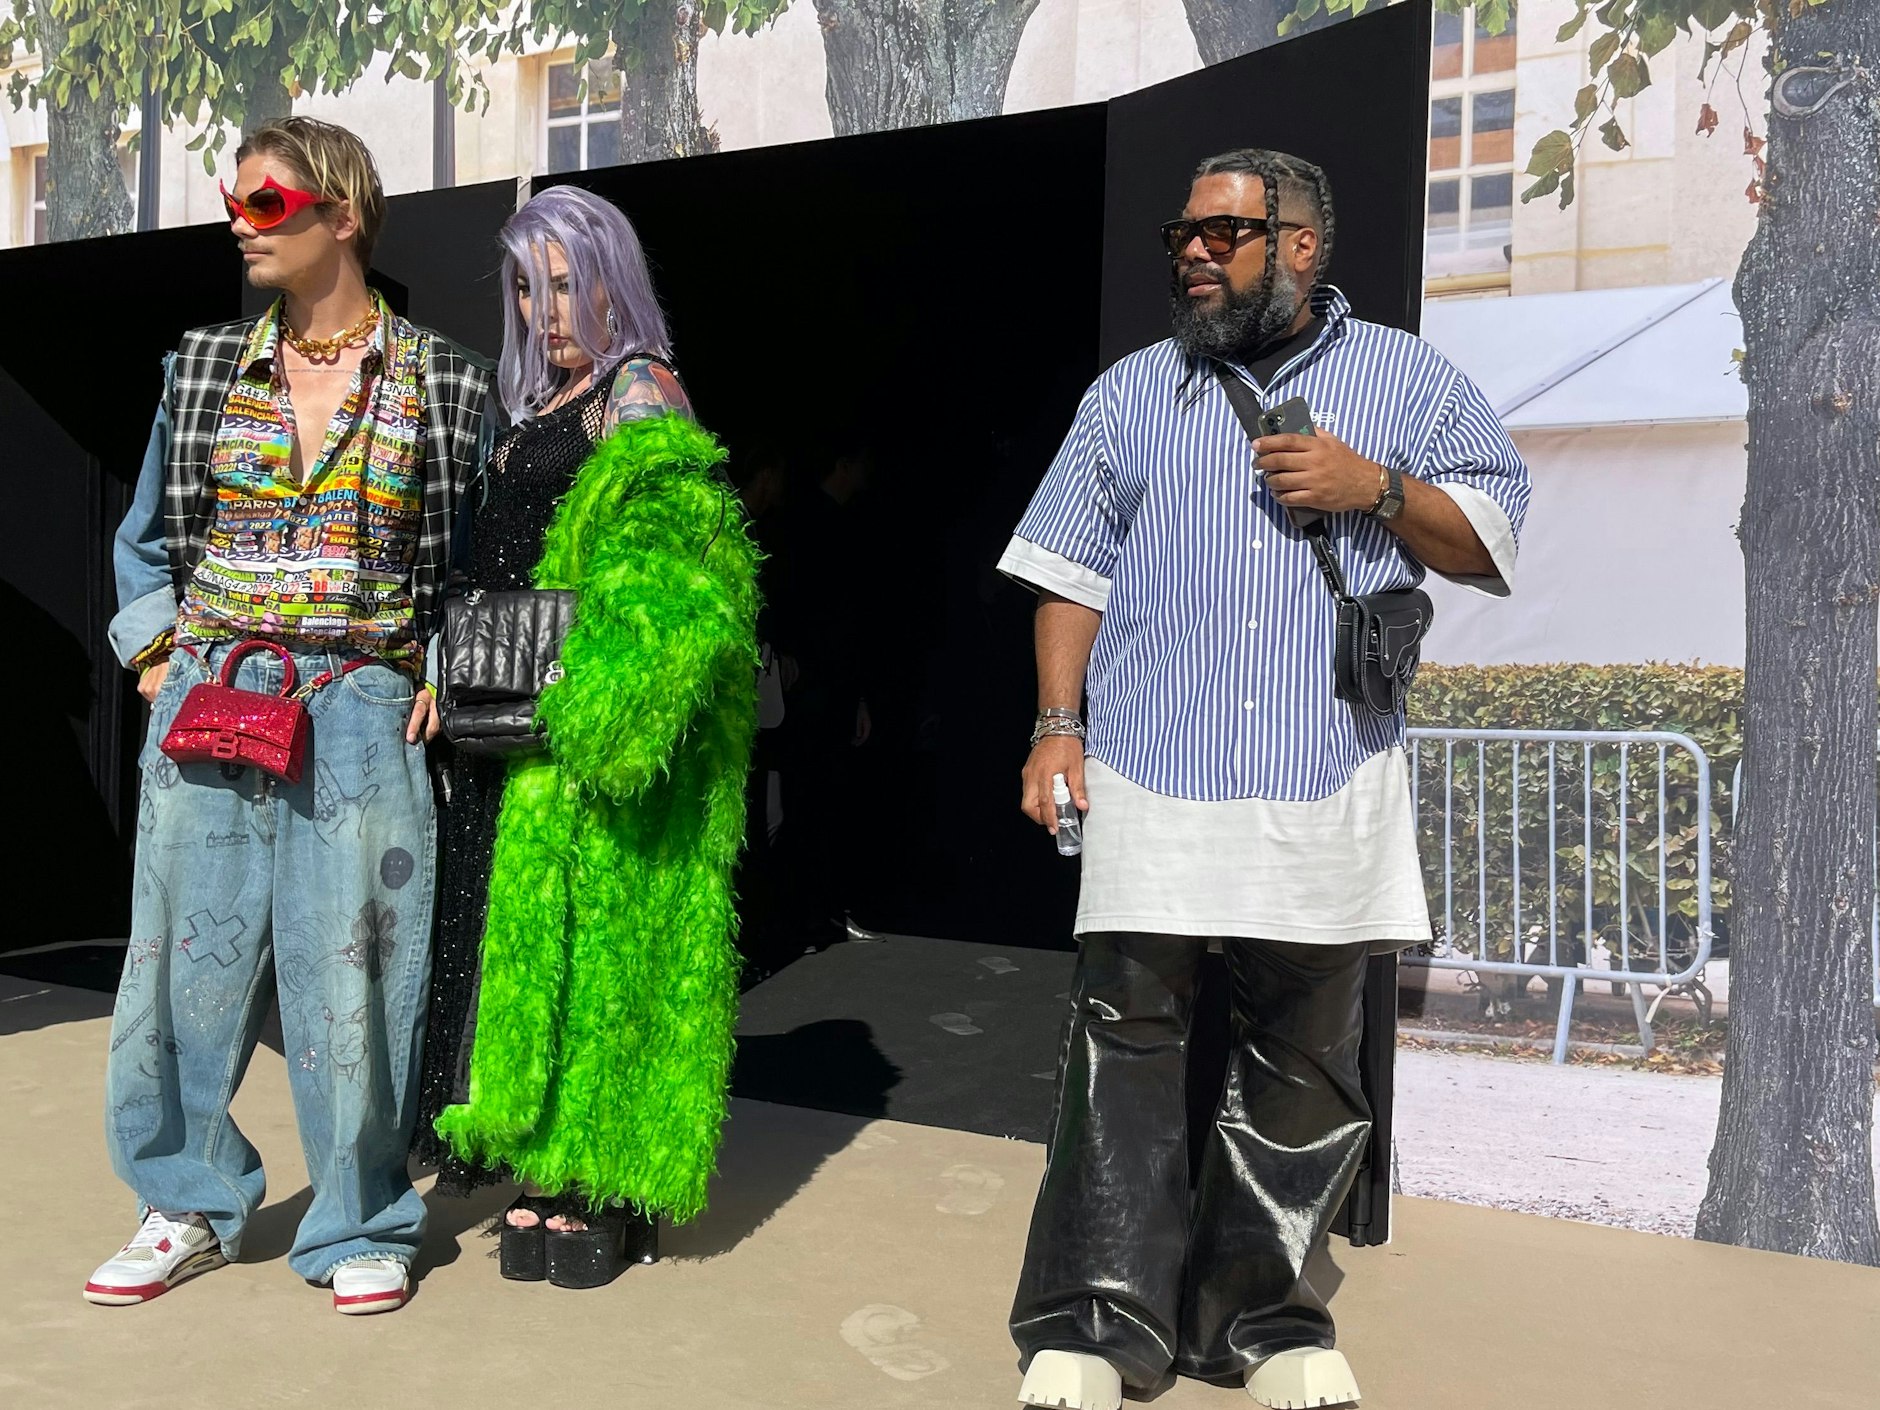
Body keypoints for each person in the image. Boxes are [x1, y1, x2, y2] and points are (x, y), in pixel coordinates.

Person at [999, 148, 1530, 1408]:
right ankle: (1093, 1322)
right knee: (1120, 1046)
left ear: (1300, 244)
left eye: (1222, 232)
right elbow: (1069, 570)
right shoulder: (1130, 392)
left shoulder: (1404, 376)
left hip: (1324, 770)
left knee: (1301, 1060)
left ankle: (1265, 1325)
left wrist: (1374, 486)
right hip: (1147, 769)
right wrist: (1053, 725)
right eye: (1182, 232)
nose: (1192, 250)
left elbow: (1489, 539)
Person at [87, 118, 496, 1315]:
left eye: (266, 204)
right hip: (216, 693)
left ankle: (359, 1214)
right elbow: (147, 540)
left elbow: (475, 564)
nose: (239, 222)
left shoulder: (448, 381)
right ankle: (184, 1201)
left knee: (357, 973)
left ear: (342, 214)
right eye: (237, 202)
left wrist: (443, 666)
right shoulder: (205, 364)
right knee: (176, 969)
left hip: (363, 710)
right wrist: (158, 655)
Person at [421, 184, 760, 1289]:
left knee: (603, 957)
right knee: (534, 963)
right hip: (516, 740)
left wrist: (595, 716)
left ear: (613, 279)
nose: (544, 309)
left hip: (584, 744)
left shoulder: (641, 397)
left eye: (565, 280)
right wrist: (454, 671)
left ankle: (595, 1176)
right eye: (527, 287)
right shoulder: (544, 407)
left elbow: (675, 588)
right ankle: (543, 1163)